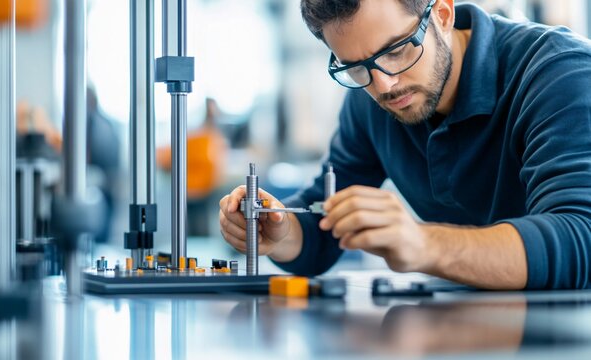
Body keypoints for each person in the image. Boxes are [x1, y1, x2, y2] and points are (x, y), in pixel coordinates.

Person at [219, 0, 591, 290]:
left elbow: (580, 239)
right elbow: (324, 225)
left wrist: (423, 244)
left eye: (396, 50)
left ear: (443, 14)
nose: (384, 85)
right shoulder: (370, 101)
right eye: (356, 67)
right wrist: (280, 232)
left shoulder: (560, 74)